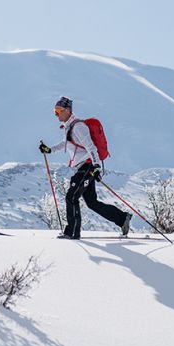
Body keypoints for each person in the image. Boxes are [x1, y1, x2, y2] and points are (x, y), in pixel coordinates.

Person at [39, 96, 132, 240]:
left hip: (87, 166)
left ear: (68, 110)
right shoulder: (69, 127)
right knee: (92, 203)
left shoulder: (78, 127)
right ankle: (122, 218)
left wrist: (96, 166)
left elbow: (91, 147)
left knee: (72, 196)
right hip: (83, 167)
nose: (56, 114)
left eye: (58, 110)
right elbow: (66, 144)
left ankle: (72, 233)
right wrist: (50, 150)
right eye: (54, 111)